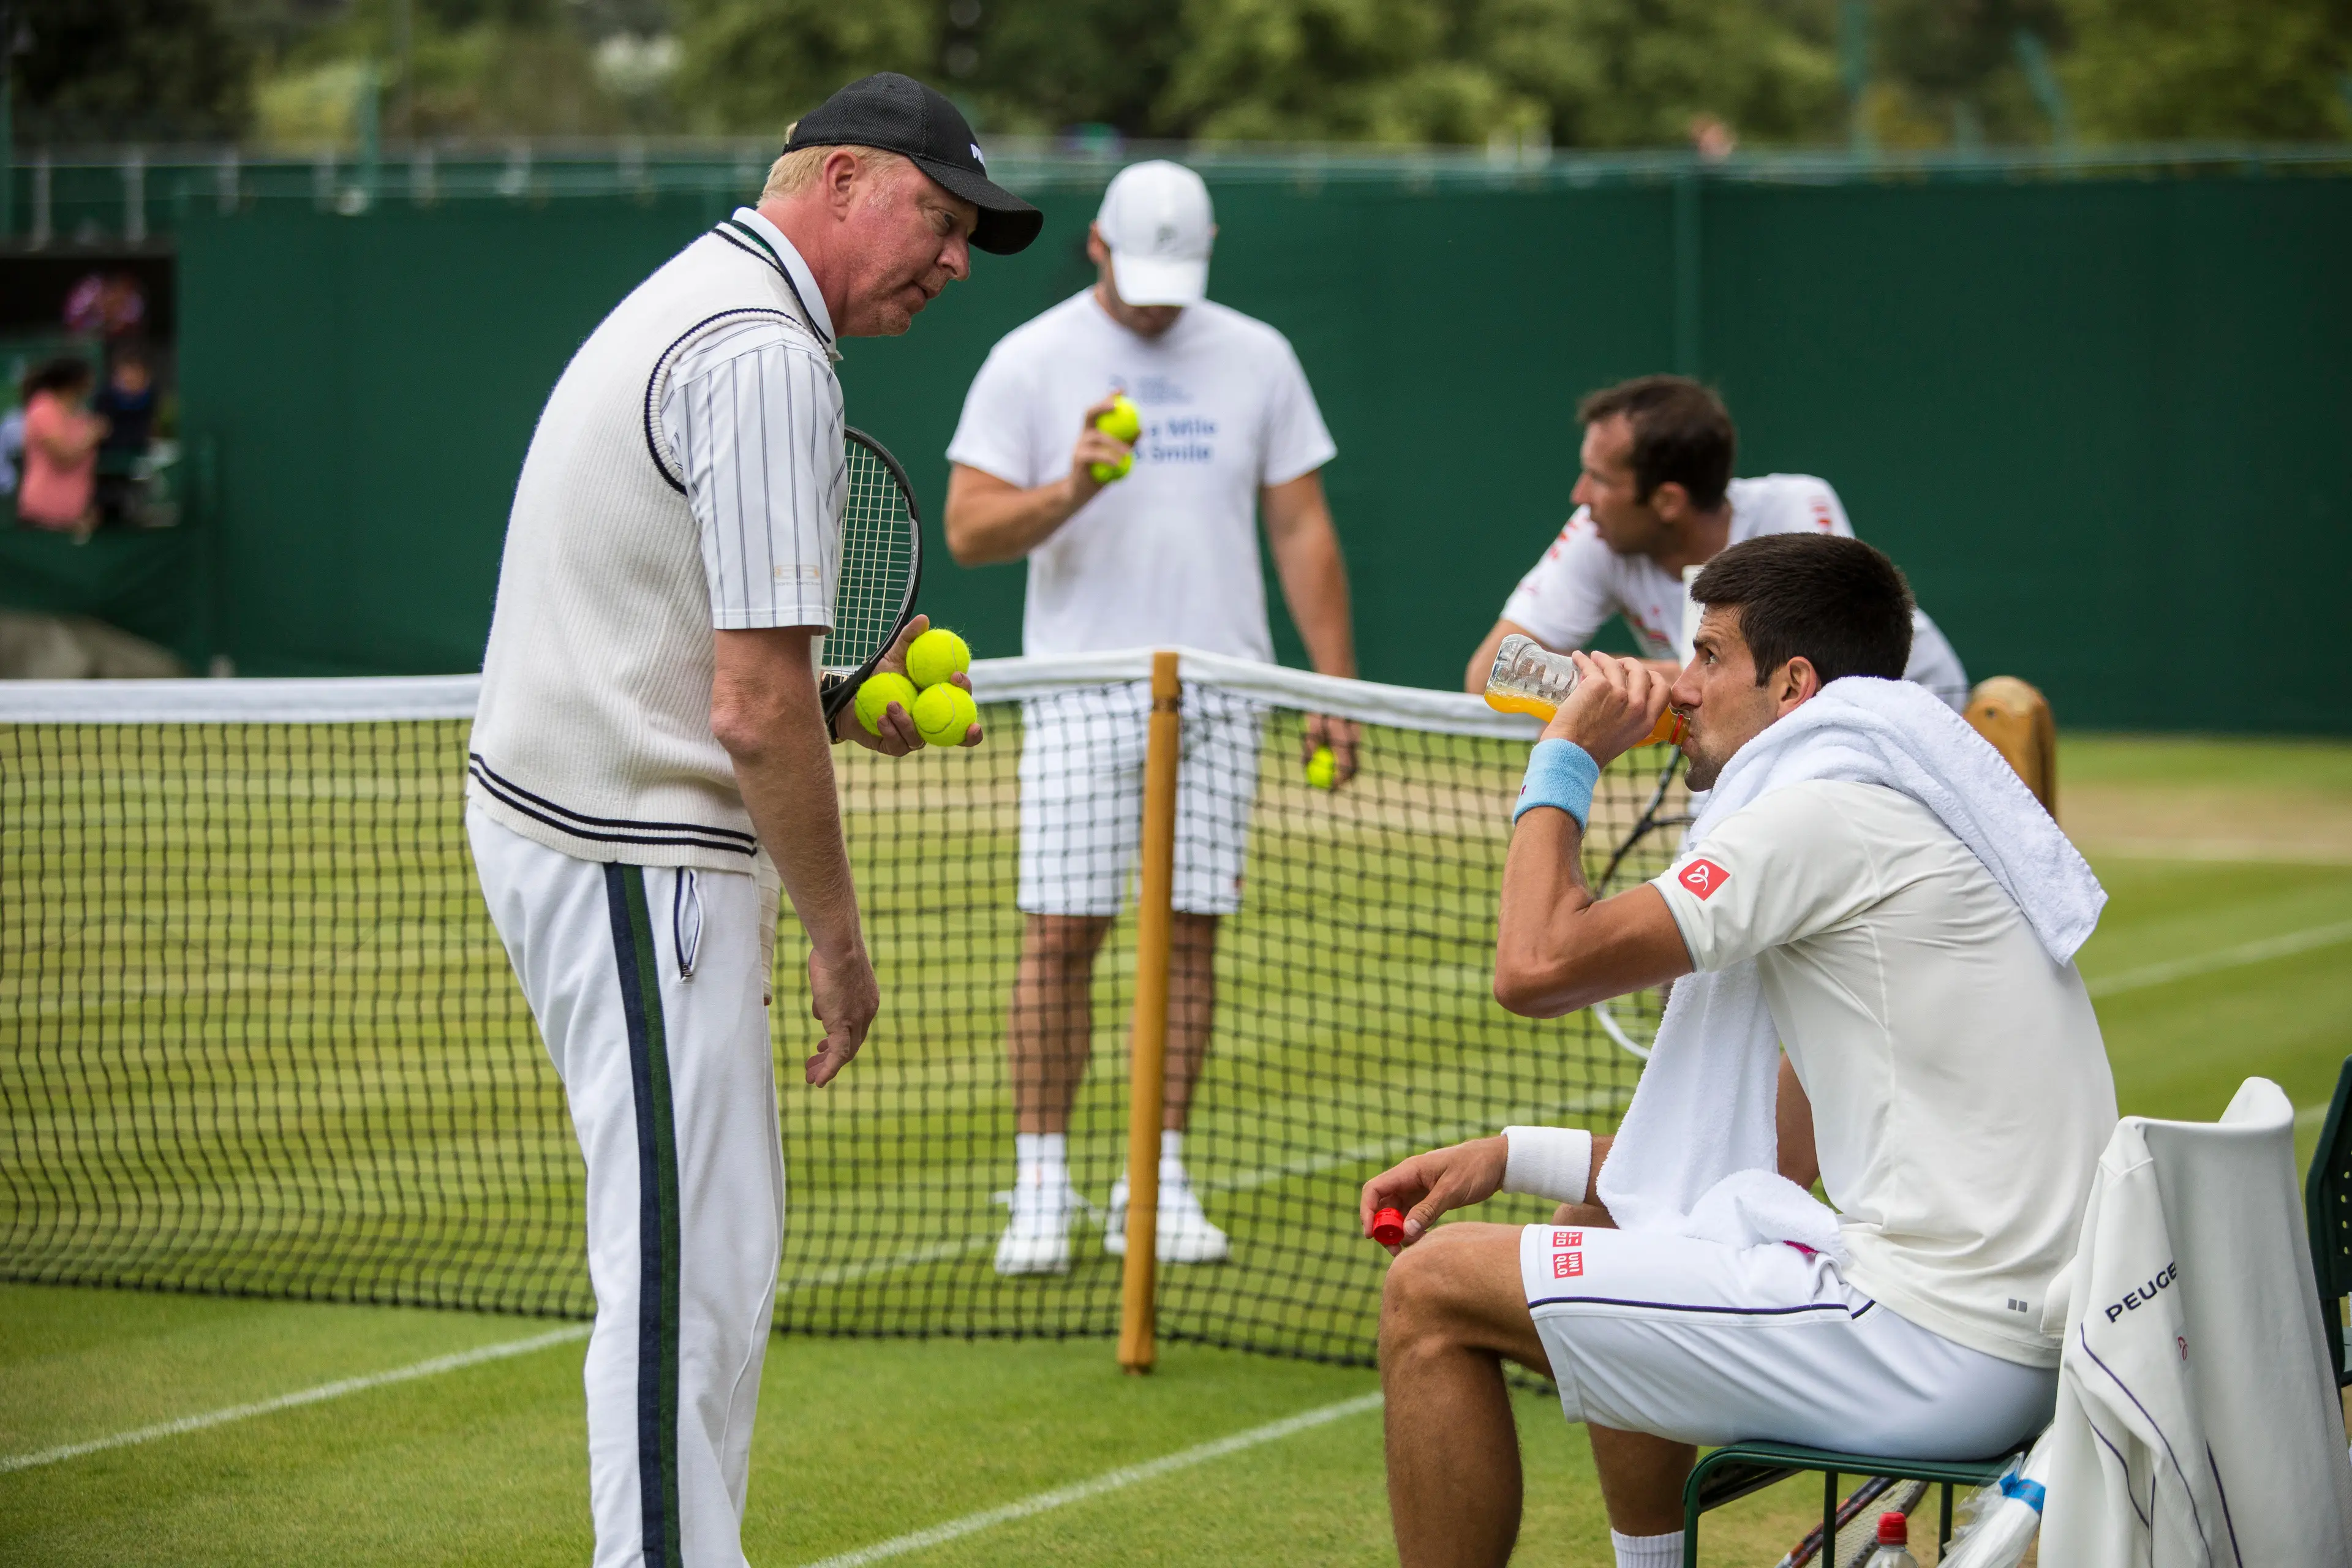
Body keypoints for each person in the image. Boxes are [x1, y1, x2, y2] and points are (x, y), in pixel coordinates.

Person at [466, 73, 1038, 1568]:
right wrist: (839, 939)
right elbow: (748, 708)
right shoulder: (763, 354)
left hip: (593, 828)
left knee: (707, 1255)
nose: (958, 258)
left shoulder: (711, 301)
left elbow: (749, 667)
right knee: (681, 1271)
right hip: (626, 844)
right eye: (941, 215)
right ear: (841, 180)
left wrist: (839, 697)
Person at [1367, 533, 2116, 1568]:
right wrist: (1510, 1155)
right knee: (1646, 1223)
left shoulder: (1821, 817)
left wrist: (1568, 755)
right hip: (2019, 1345)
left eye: (1710, 656)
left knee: (1431, 1289)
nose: (1683, 684)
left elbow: (1533, 965)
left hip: (1938, 1345)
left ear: (1793, 684)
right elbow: (1763, 1152)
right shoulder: (1894, 815)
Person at [942, 159, 1359, 1276]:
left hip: (1222, 692)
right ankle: (1041, 1186)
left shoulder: (1260, 355)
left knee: (1190, 937)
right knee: (1060, 936)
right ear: (1094, 247)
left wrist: (1332, 689)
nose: (1159, 296)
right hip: (1082, 692)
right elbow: (970, 530)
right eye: (1138, 274)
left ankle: (1158, 1180)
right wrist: (1073, 485)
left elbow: (1302, 529)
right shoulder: (1027, 360)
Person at [1462, 375, 1968, 709]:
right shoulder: (1598, 530)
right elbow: (1490, 672)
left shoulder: (1798, 507)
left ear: (1667, 501)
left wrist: (1628, 682)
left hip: (1919, 707)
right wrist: (1622, 685)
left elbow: (1805, 678)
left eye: (1600, 479)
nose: (1580, 495)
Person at [15, 358, 108, 541]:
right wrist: (92, 436)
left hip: (76, 517)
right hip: (42, 516)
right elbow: (64, 457)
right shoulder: (42, 410)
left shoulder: (80, 414)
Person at [94, 345, 160, 526]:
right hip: (107, 474)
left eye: (136, 373)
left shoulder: (150, 398)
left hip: (138, 468)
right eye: (125, 373)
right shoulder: (104, 398)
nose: (130, 378)